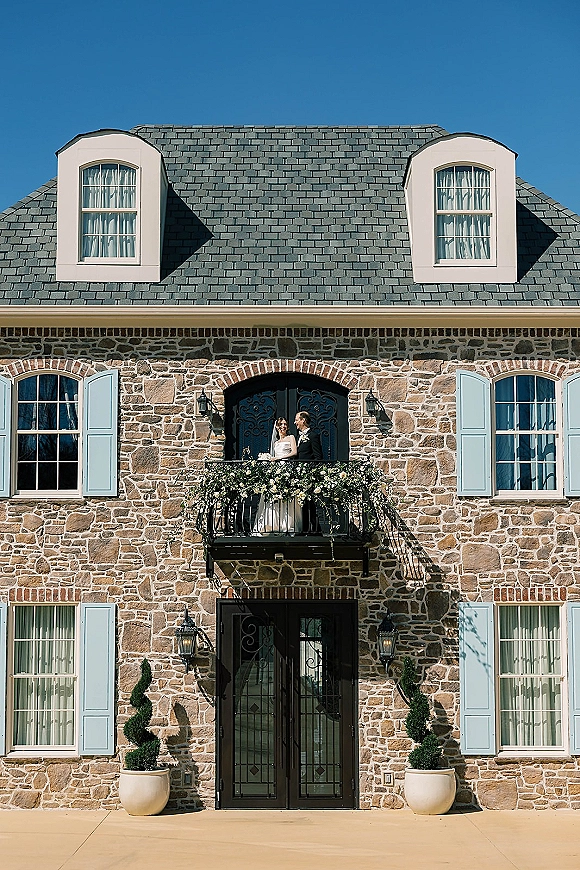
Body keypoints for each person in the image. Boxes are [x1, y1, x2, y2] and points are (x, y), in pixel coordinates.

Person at [252, 418, 302, 535]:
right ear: (277, 427)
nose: (283, 426)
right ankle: (272, 524)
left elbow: (294, 452)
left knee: (287, 496)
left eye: (285, 424)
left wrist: (279, 458)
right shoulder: (275, 443)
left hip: (287, 467)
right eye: (281, 424)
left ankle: (288, 526)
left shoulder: (291, 438)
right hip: (276, 469)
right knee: (274, 495)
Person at [294, 411, 323, 532]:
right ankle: (308, 528)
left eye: (297, 419)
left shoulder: (313, 436)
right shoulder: (298, 437)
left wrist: (311, 473)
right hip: (299, 474)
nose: (295, 422)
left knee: (308, 502)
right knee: (303, 502)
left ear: (303, 420)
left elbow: (318, 457)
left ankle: (313, 529)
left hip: (308, 474)